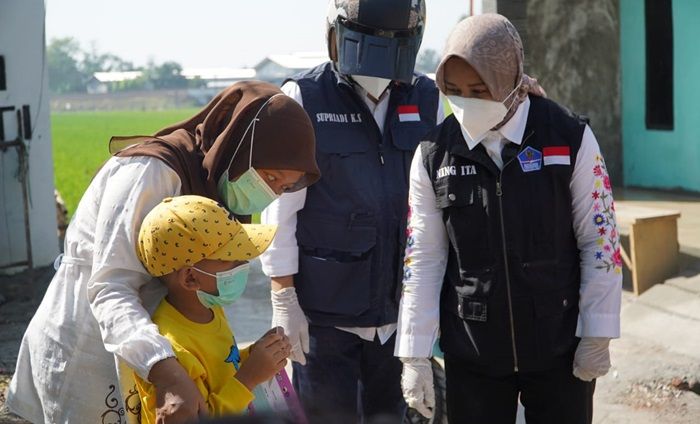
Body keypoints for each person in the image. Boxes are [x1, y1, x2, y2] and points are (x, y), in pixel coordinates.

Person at [6, 81, 320, 424]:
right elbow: (111, 288)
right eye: (269, 177)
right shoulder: (152, 172)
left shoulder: (216, 184)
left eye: (283, 186)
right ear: (238, 146)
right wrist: (166, 370)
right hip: (90, 342)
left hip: (158, 351)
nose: (271, 193)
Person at [395, 14, 622, 424]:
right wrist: (414, 353)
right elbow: (423, 258)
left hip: (557, 348)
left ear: (510, 78)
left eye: (479, 90)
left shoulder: (567, 137)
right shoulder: (433, 154)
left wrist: (598, 329)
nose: (466, 102)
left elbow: (599, 239)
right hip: (473, 353)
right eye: (455, 91)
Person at [259, 1, 443, 422]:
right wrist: (283, 295)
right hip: (324, 318)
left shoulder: (427, 97)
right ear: (335, 33)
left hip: (397, 315)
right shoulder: (303, 97)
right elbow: (280, 211)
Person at [133, 195, 290, 423]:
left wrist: (256, 355)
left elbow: (222, 364)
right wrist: (249, 378)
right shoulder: (174, 348)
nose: (244, 264)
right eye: (231, 259)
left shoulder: (208, 308)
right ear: (190, 278)